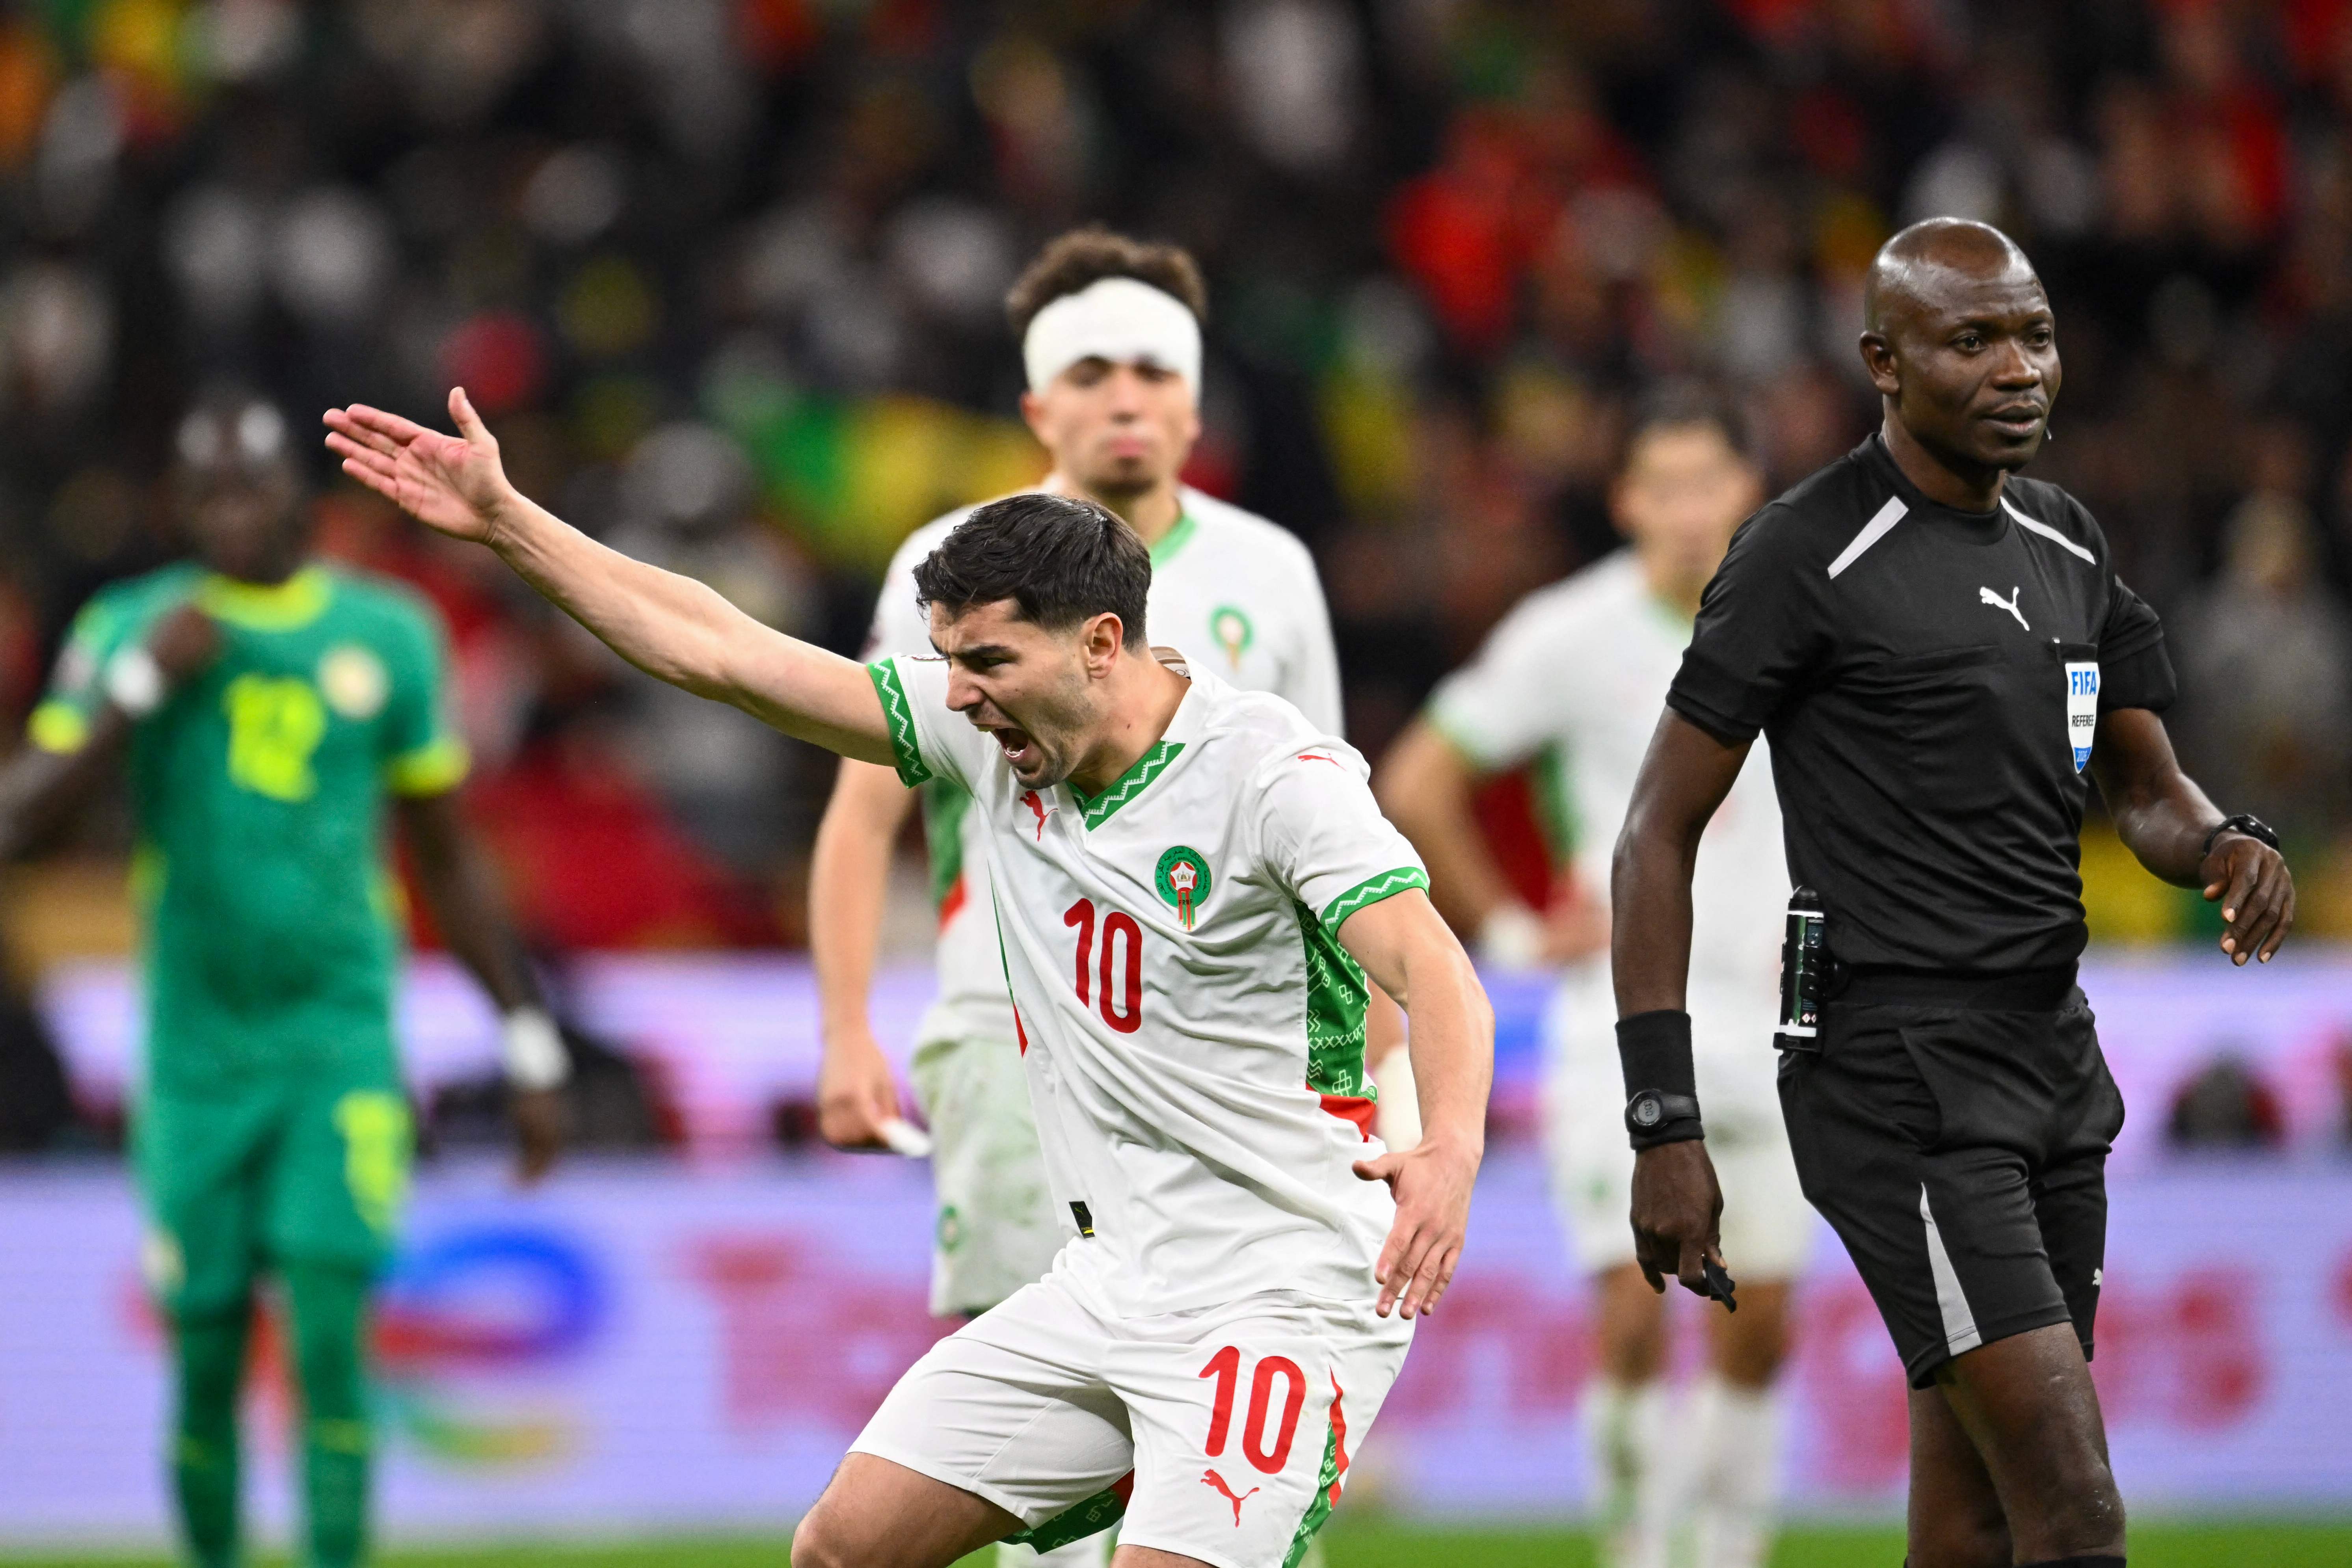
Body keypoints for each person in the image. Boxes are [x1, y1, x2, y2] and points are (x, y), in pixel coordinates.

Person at [322, 392, 1494, 1568]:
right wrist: (511, 521)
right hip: (1112, 1277)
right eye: (949, 664)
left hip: (1277, 1286)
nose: (963, 695)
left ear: (1100, 641)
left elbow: (1433, 965)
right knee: (842, 1548)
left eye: (989, 661)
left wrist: (1446, 1146)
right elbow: (725, 652)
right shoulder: (986, 734)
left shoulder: (1271, 774)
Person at [1610, 219, 2296, 1568]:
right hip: (1897, 1075)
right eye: (1972, 340)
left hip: (2051, 1060)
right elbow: (1654, 833)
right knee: (2077, 1509)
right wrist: (1663, 1119)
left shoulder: (2069, 541)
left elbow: (2142, 786)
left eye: (2034, 335)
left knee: (1975, 1514)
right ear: (1884, 361)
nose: (2019, 368)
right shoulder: (1806, 552)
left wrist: (2224, 843)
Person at [0, 392, 565, 1568]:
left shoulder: (388, 634)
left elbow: (446, 850)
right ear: (179, 506)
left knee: (327, 1344)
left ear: (298, 497)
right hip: (197, 1053)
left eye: (251, 488)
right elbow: (21, 822)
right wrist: (136, 696)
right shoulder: (131, 628)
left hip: (339, 1042)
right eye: (206, 494)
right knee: (204, 1354)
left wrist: (524, 1030)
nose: (231, 515)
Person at [809, 229, 1380, 1377]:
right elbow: (865, 807)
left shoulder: (1273, 571)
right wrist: (844, 1026)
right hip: (1010, 1025)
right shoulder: (953, 560)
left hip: (1231, 1048)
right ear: (1037, 407)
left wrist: (1376, 1063)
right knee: (1030, 1408)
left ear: (1196, 403)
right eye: (1090, 374)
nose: (1126, 399)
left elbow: (1340, 837)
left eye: (1155, 372)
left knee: (1245, 1380)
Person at [1375, 387, 1802, 1568]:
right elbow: (1418, 779)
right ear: (1624, 501)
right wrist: (1510, 930)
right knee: (1633, 1306)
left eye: (1704, 482)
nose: (1682, 510)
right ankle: (1637, 1544)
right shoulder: (1569, 631)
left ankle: (1730, 1550)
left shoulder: (1805, 622)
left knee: (1760, 1323)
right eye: (1657, 487)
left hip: (1778, 1018)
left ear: (1744, 491)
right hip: (1618, 1021)